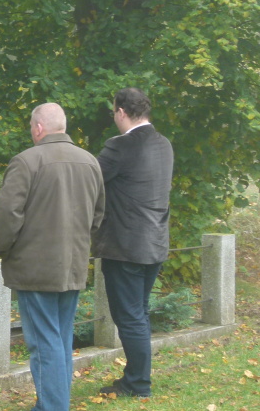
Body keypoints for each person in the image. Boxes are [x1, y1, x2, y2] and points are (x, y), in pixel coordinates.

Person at [0, 103, 105, 411]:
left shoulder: (27, 161)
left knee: (44, 343)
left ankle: (52, 407)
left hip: (34, 267)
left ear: (39, 128)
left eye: (32, 127)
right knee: (60, 338)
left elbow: (8, 213)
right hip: (73, 265)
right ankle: (56, 403)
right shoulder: (90, 162)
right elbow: (98, 215)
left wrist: (2, 249)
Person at [95, 87, 174, 398]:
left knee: (129, 316)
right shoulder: (164, 144)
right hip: (155, 241)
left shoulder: (120, 146)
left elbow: (89, 180)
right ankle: (136, 377)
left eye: (113, 111)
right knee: (138, 313)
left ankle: (138, 383)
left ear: (121, 112)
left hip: (125, 246)